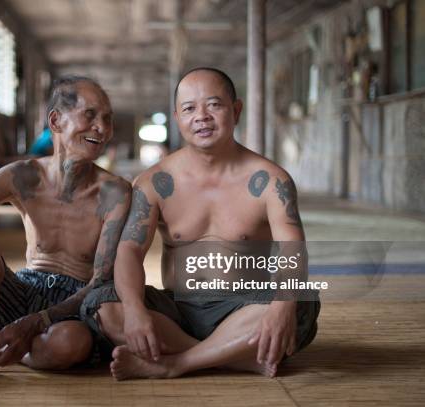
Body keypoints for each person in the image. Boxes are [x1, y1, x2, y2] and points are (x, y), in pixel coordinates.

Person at [80, 67, 320, 380]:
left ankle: (176, 363)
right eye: (190, 108)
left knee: (299, 300)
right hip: (180, 312)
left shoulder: (271, 181)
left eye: (214, 105)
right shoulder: (154, 182)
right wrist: (136, 310)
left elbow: (293, 250)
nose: (202, 116)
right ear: (177, 117)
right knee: (100, 303)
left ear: (236, 110)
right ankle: (228, 356)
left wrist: (281, 308)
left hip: (246, 306)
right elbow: (128, 253)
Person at [0, 76, 131, 385]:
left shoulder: (114, 192)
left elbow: (102, 280)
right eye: (90, 115)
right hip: (23, 289)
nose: (102, 128)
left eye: (107, 119)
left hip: (75, 302)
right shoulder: (25, 176)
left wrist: (38, 322)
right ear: (56, 120)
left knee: (69, 345)